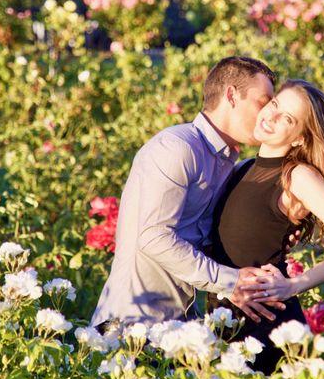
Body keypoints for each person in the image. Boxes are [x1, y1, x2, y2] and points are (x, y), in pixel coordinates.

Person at [91, 57, 290, 331]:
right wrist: (232, 282)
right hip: (131, 326)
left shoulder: (226, 162)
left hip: (179, 327)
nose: (268, 113)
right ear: (231, 95)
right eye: (263, 101)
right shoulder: (177, 147)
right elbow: (154, 237)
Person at [207, 79, 324, 375]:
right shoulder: (244, 167)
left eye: (287, 118)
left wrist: (293, 285)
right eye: (274, 105)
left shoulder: (298, 176)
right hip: (227, 319)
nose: (270, 117)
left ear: (300, 138)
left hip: (267, 326)